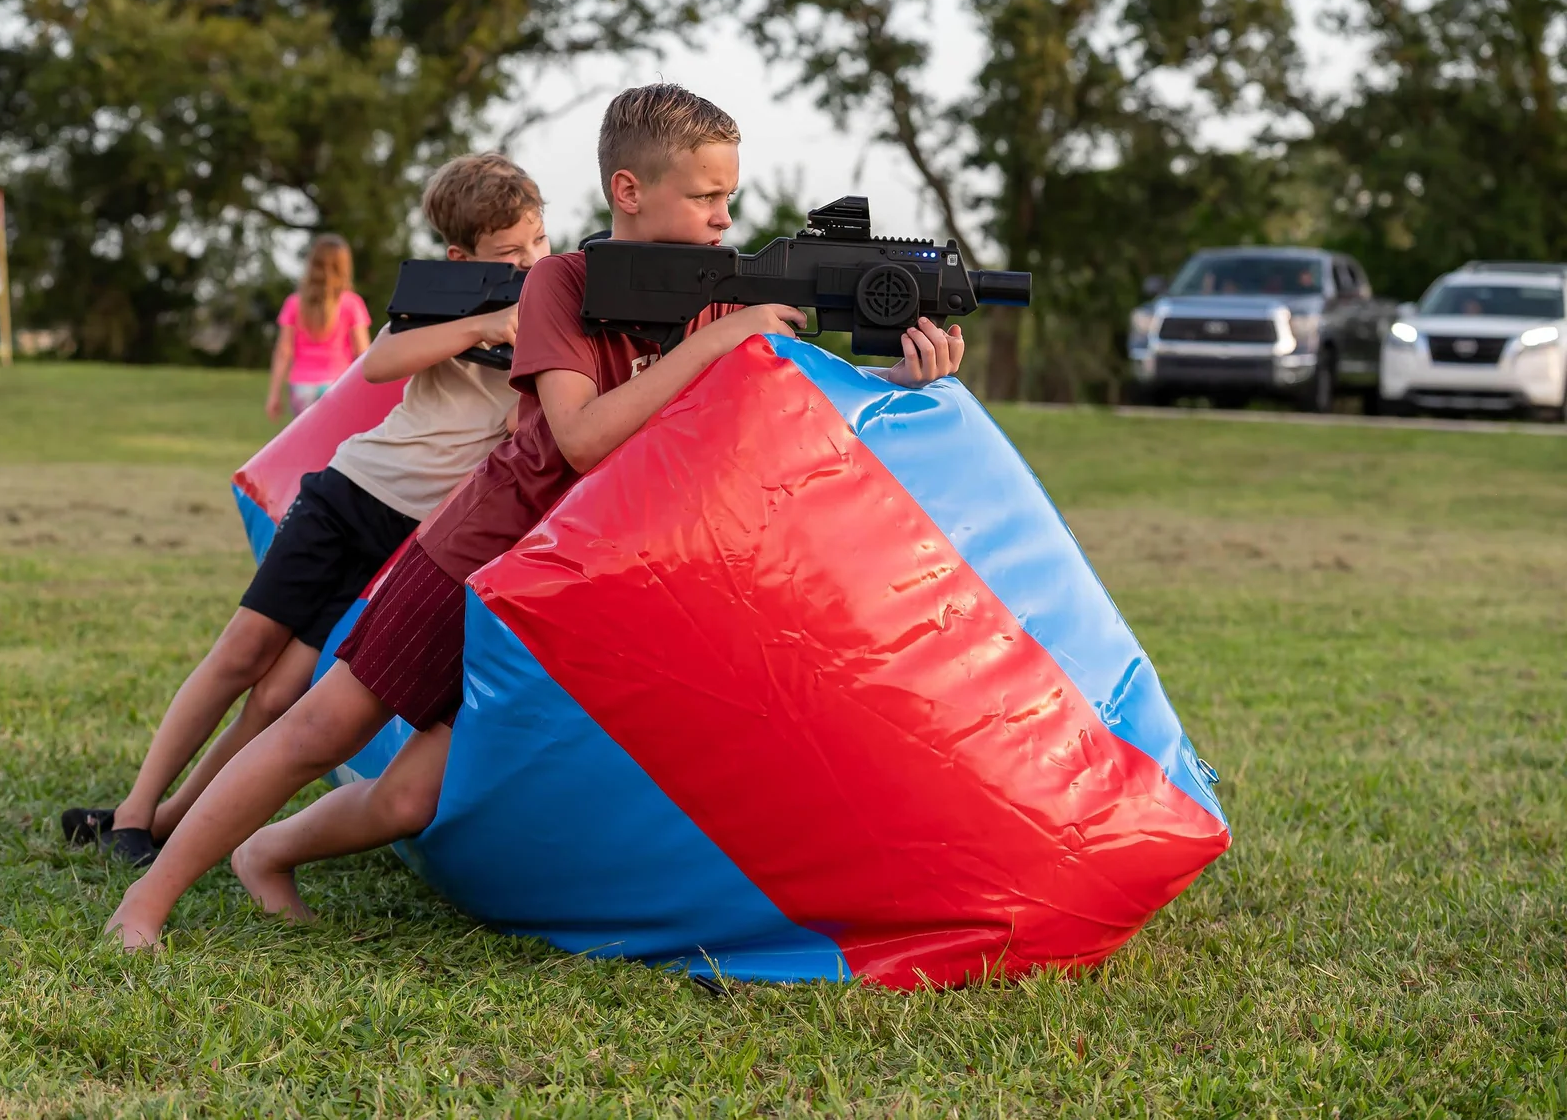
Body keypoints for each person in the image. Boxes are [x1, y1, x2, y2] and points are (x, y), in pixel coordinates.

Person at [104, 84, 967, 947]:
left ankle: (266, 852)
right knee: (322, 727)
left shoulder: (725, 302)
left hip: (580, 587)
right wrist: (718, 340)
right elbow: (582, 436)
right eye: (705, 195)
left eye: (726, 197)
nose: (722, 216)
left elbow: (797, 403)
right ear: (629, 190)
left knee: (411, 798)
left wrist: (910, 377)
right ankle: (144, 903)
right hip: (480, 552)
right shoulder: (563, 281)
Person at [60, 154, 550, 865]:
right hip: (351, 495)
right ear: (462, 257)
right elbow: (382, 363)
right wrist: (486, 326)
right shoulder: (455, 299)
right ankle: (136, 811)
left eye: (539, 242)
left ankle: (169, 819)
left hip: (411, 534)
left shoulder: (552, 308)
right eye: (511, 252)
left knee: (282, 692)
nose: (532, 260)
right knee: (242, 654)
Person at [266, 234, 372, 420]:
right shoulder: (351, 304)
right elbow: (363, 352)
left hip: (301, 386)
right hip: (338, 384)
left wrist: (274, 394)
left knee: (307, 443)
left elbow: (284, 351)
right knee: (336, 445)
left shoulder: (294, 303)